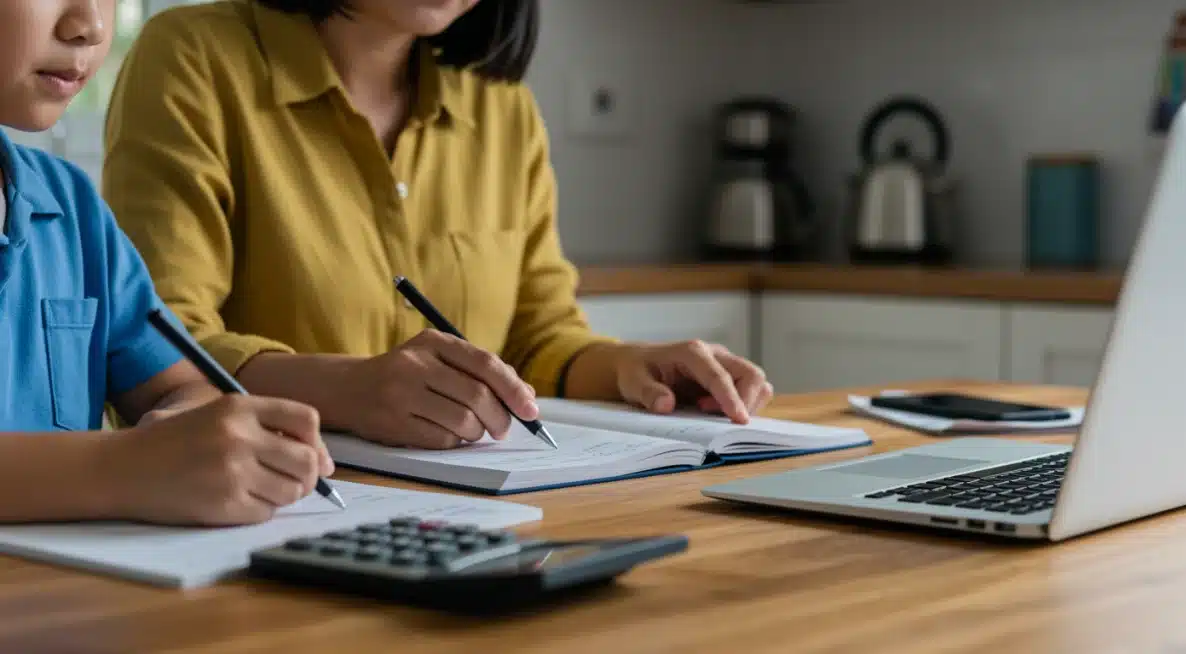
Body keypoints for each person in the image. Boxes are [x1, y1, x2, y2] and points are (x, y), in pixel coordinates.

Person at [103, 0, 774, 451]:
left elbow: (538, 340)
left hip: (476, 514)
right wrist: (350, 391)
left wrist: (631, 368)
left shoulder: (504, 108)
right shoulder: (195, 56)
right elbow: (156, 344)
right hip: (260, 508)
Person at [0, 0, 333, 526]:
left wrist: (189, 433)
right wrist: (125, 468)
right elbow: (129, 464)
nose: (90, 26)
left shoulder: (69, 207)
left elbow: (184, 385)